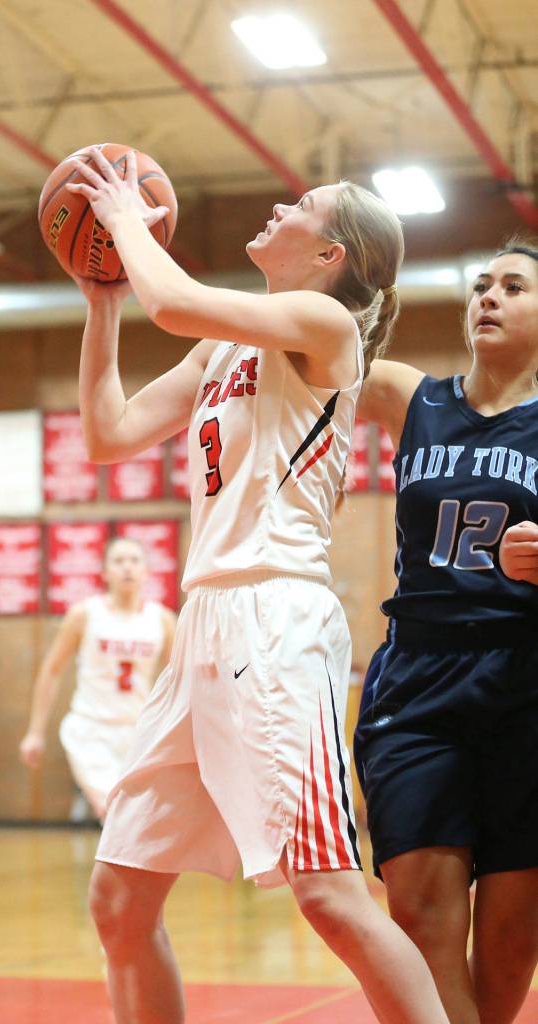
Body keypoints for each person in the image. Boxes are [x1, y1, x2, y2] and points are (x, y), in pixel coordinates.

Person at [65, 148, 449, 1024]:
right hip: (202, 623)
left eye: (303, 206)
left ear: (330, 257)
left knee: (328, 898)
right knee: (119, 906)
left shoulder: (325, 324)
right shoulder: (222, 348)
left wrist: (125, 218)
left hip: (271, 619)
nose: (280, 206)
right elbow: (108, 433)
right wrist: (99, 306)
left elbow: (169, 299)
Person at [353, 240, 538, 1024]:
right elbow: (301, 354)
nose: (487, 297)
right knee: (422, 927)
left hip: (525, 685)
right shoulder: (408, 394)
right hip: (418, 682)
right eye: (479, 285)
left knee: (501, 965)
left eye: (513, 286)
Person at [20, 537, 176, 822]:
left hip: (138, 733)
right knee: (115, 812)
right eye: (118, 561)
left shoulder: (162, 620)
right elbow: (51, 670)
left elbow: (179, 681)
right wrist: (35, 732)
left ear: (146, 572)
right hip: (90, 730)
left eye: (134, 560)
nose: (127, 567)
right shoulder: (85, 615)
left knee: (135, 823)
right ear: (104, 573)